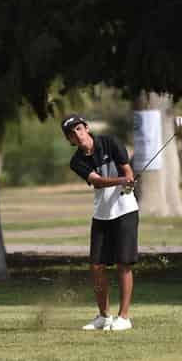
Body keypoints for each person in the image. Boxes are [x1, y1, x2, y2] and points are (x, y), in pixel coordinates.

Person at [61, 114, 139, 331]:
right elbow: (97, 183)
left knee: (124, 264)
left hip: (125, 210)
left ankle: (124, 317)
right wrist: (122, 181)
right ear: (70, 140)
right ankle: (104, 316)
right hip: (102, 215)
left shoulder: (110, 142)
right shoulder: (76, 161)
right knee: (97, 266)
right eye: (71, 134)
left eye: (78, 129)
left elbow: (127, 170)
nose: (77, 135)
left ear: (86, 128)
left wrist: (129, 182)